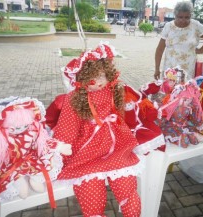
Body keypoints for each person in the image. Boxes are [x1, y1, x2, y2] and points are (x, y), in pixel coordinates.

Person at [52, 43, 142, 217]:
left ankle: (133, 212)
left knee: (127, 186)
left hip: (116, 146)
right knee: (90, 188)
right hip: (87, 153)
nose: (100, 82)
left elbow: (119, 116)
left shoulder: (113, 91)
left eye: (103, 76)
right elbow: (67, 127)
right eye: (93, 77)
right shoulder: (75, 98)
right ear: (82, 78)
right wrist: (61, 150)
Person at [154, 1, 203, 80]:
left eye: (187, 17)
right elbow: (160, 50)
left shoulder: (196, 25)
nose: (183, 20)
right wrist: (157, 69)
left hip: (188, 69)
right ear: (175, 15)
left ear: (190, 15)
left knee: (186, 90)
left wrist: (201, 50)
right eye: (180, 17)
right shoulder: (168, 26)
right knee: (168, 89)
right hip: (170, 68)